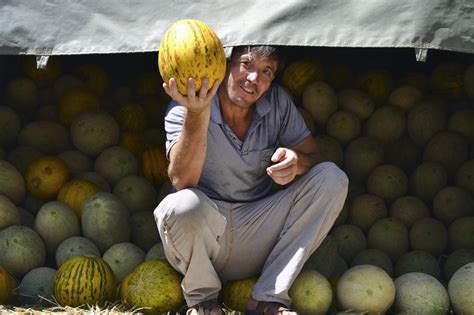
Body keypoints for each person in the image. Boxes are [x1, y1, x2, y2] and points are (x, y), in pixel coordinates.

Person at [154, 45, 348, 315]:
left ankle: (269, 298)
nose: (254, 79)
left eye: (266, 71)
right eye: (246, 64)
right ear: (224, 64)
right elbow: (181, 179)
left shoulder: (278, 102)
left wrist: (297, 162)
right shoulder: (187, 102)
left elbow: (315, 156)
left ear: (273, 79)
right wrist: (197, 113)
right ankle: (203, 301)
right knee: (180, 205)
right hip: (207, 237)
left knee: (332, 177)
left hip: (259, 233)